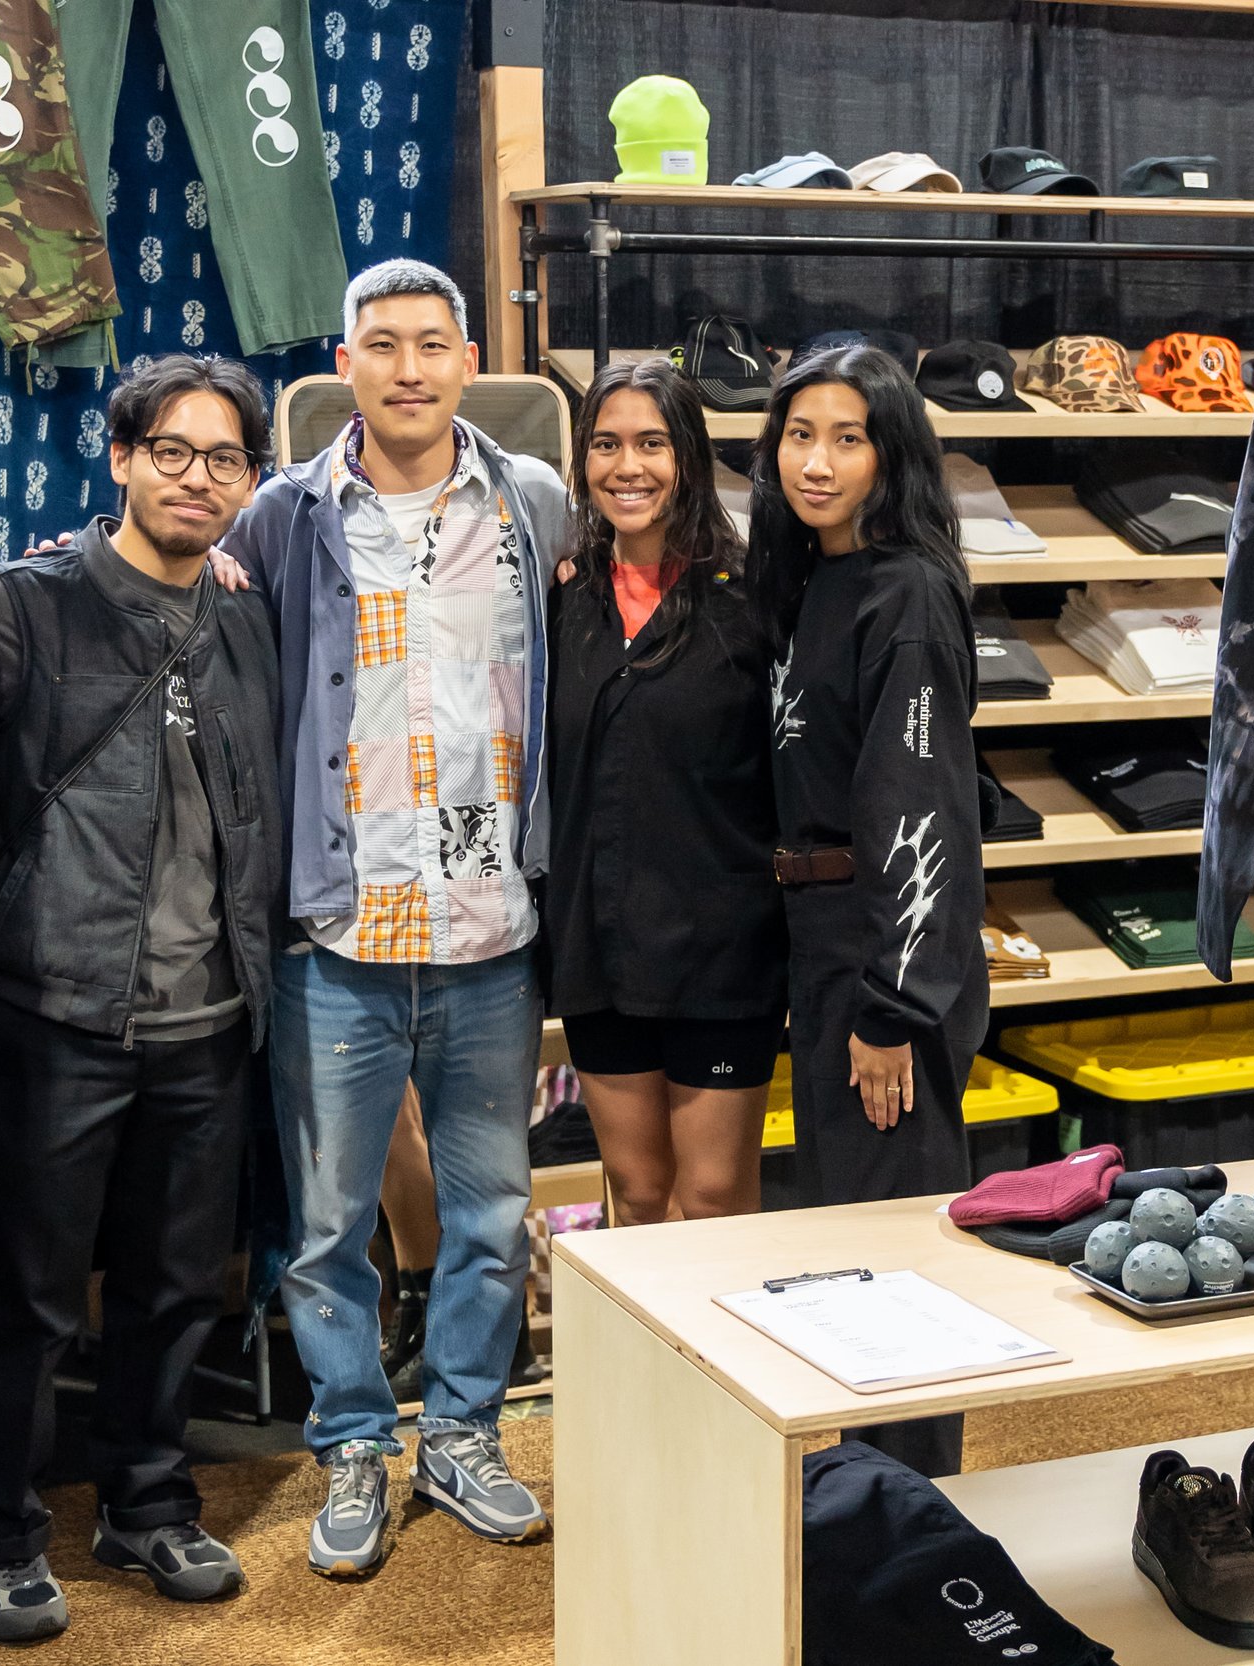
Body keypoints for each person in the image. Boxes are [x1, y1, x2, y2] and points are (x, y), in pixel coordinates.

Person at [217, 258, 567, 1574]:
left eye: (431, 343)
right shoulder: (283, 516)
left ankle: (465, 1437)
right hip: (340, 928)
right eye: (383, 344)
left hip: (490, 929)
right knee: (324, 1228)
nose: (409, 368)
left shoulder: (534, 505)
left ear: (466, 360)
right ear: (344, 363)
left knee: (488, 1214)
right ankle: (353, 1448)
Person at [0, 355, 282, 1639]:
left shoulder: (246, 613)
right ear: (122, 458)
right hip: (54, 1013)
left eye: (226, 460)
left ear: (250, 484)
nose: (199, 478)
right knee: (26, 1297)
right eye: (174, 452)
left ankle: (146, 1501)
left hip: (211, 1020)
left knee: (174, 1285)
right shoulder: (23, 604)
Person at [749, 342, 986, 1477]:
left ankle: (911, 1497)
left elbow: (921, 805)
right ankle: (870, 1475)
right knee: (849, 1227)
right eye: (801, 434)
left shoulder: (908, 594)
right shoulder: (813, 574)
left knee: (896, 1241)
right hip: (822, 937)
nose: (819, 460)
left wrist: (894, 1004)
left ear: (892, 455)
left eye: (848, 437)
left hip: (880, 950)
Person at [544, 359, 785, 1224]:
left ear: (687, 453)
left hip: (723, 946)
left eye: (651, 443)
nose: (627, 467)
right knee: (640, 1192)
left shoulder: (753, 596)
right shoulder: (564, 597)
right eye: (605, 445)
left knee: (712, 1194)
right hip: (599, 944)